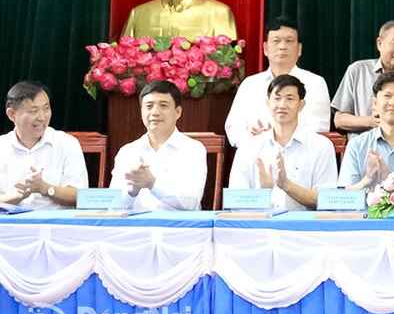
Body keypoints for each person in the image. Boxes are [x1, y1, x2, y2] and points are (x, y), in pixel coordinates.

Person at [228, 75, 338, 210]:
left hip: (304, 223)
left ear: (301, 105)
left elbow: (327, 201)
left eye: (289, 99)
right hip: (260, 223)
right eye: (277, 98)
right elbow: (235, 203)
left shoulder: (321, 146)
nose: (282, 105)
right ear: (268, 103)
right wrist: (265, 192)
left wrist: (286, 185)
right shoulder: (249, 147)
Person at [224, 16, 331, 148]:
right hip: (256, 153)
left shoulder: (315, 83)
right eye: (276, 41)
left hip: (300, 155)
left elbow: (319, 127)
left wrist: (275, 137)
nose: (282, 46)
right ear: (265, 48)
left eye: (289, 41)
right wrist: (253, 140)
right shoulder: (250, 84)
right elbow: (233, 127)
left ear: (299, 49)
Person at [110, 81, 207, 210]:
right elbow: (113, 206)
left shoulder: (193, 149)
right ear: (141, 112)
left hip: (178, 223)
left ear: (178, 112)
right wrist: (131, 192)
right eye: (149, 106)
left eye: (163, 105)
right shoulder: (127, 152)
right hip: (136, 222)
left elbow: (191, 203)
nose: (155, 112)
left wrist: (152, 184)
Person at [332, 20, 394, 138]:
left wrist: (393, 129)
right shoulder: (357, 71)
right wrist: (373, 122)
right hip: (362, 146)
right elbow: (339, 120)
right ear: (379, 44)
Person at [0, 81, 87, 209]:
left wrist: (45, 188)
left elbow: (81, 196)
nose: (42, 117)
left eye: (46, 108)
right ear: (12, 114)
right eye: (33, 111)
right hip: (9, 220)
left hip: (56, 220)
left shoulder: (67, 143)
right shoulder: (2, 146)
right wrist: (13, 197)